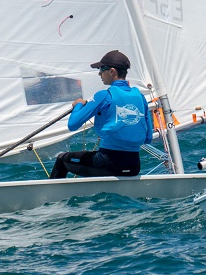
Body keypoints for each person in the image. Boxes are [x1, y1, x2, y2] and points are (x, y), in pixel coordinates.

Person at [49, 50, 153, 179]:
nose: (99, 73)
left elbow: (73, 125)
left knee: (61, 160)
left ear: (112, 71)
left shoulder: (104, 96)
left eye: (102, 69)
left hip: (106, 164)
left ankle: (52, 199)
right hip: (133, 166)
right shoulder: (141, 97)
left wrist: (78, 105)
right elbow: (148, 138)